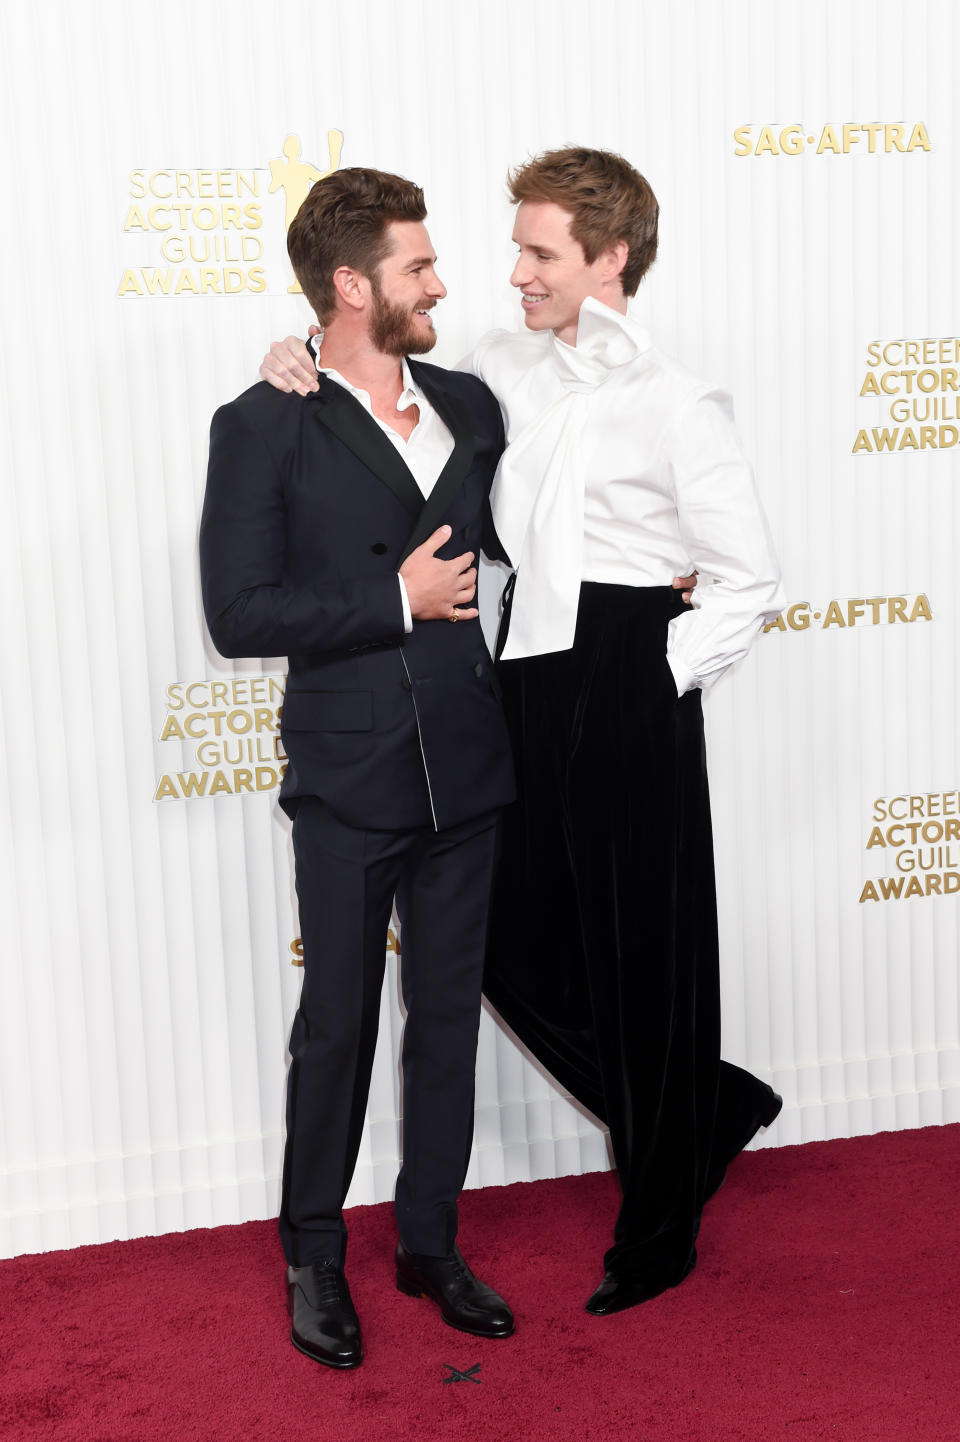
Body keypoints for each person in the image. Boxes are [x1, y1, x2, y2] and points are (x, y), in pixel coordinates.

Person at [259, 147, 786, 1317]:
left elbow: (750, 578)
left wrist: (661, 673)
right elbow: (391, 386)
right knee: (496, 944)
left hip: (630, 674)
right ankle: (705, 1105)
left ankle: (658, 1225)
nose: (515, 273)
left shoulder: (679, 403)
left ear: (611, 255)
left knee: (642, 959)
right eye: (515, 250)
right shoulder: (499, 365)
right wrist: (294, 356)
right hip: (518, 681)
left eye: (540, 252)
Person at [200, 166, 517, 1369]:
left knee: (445, 1021)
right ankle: (315, 1253)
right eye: (419, 266)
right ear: (351, 284)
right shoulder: (262, 419)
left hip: (470, 767)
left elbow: (556, 507)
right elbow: (238, 611)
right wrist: (396, 599)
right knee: (335, 1024)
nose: (442, 282)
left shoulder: (474, 402)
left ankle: (430, 1241)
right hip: (347, 775)